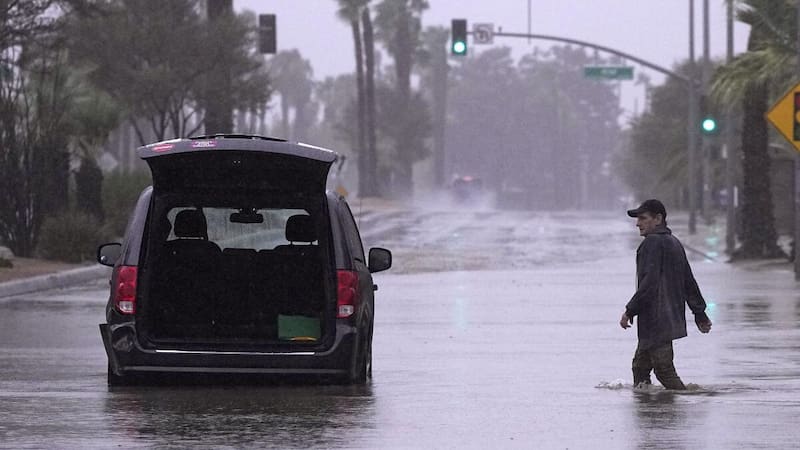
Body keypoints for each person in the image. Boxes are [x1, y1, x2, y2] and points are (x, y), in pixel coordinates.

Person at [620, 199, 713, 390]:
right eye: (638, 219)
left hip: (656, 320)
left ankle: (675, 412)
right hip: (668, 318)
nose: (638, 223)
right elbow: (689, 282)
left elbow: (649, 284)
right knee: (640, 367)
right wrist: (700, 313)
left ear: (658, 219)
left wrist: (630, 310)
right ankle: (650, 410)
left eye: (643, 218)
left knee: (664, 370)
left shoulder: (651, 244)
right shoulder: (674, 243)